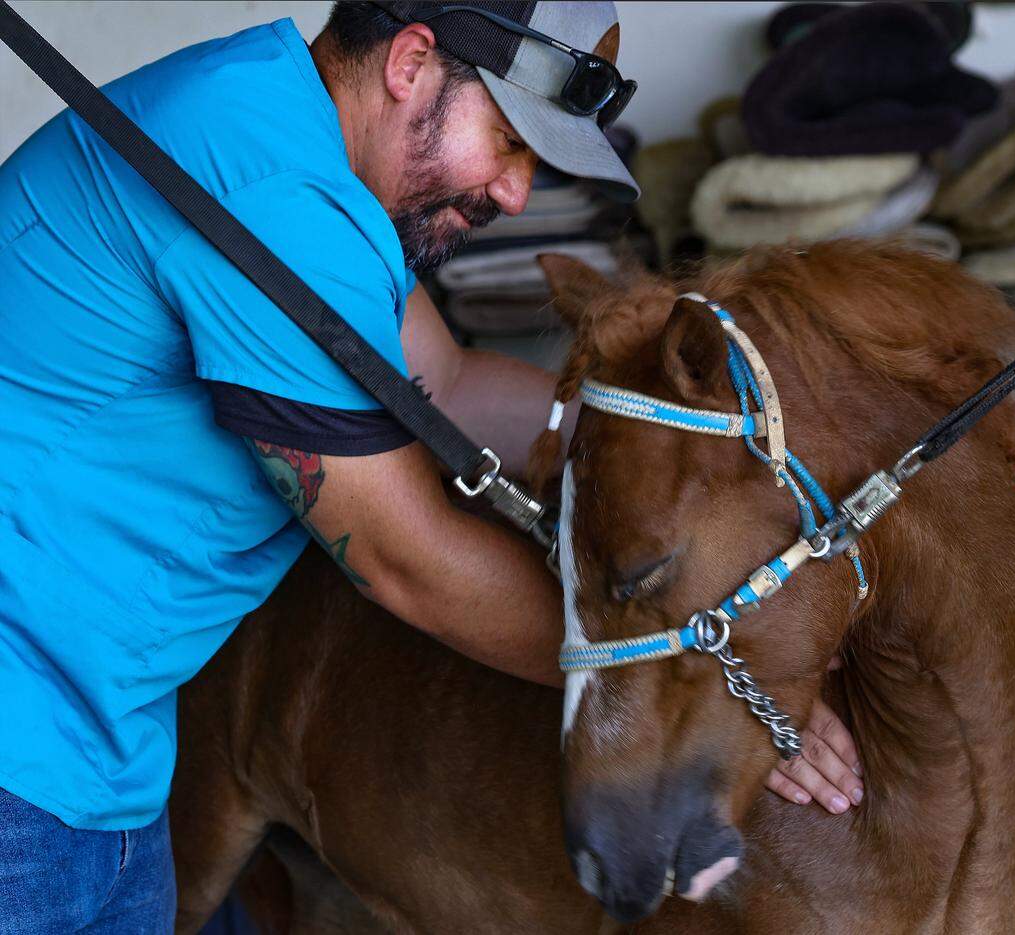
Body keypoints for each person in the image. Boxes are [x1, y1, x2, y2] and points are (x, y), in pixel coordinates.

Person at [0, 2, 862, 930]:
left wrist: (688, 451)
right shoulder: (265, 189)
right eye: (508, 140)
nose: (516, 193)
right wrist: (721, 675)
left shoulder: (288, 139)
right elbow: (402, 558)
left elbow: (445, 381)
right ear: (411, 62)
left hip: (94, 753)